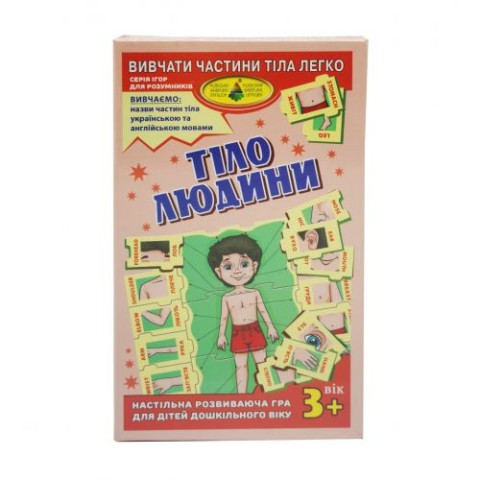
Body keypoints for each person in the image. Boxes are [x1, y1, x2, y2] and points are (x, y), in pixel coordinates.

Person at [208, 234, 279, 394]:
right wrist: (221, 335)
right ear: (219, 272)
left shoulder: (254, 293)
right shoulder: (226, 297)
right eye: (228, 267)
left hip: (255, 330)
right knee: (240, 365)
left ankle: (267, 391)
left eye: (244, 264)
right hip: (237, 333)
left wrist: (271, 327)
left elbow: (263, 311)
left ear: (254, 266)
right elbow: (224, 317)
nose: (237, 271)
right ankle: (242, 395)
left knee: (262, 363)